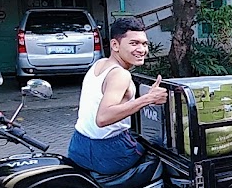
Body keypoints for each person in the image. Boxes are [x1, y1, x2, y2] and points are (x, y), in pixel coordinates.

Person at [68, 17, 168, 176]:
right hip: (108, 152)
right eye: (134, 43)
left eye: (144, 44)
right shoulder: (120, 75)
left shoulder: (99, 64)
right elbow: (103, 118)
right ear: (115, 45)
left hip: (78, 147)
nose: (141, 49)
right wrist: (148, 99)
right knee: (163, 157)